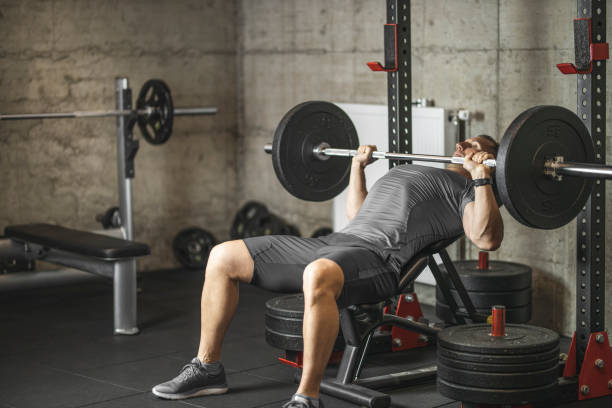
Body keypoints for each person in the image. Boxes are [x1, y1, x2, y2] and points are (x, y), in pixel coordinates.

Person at [152, 135, 504, 407]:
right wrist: (357, 167)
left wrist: (481, 177)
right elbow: (358, 214)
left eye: (473, 145)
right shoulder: (410, 170)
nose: (462, 145)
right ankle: (207, 367)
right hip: (340, 241)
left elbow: (485, 238)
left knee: (318, 274)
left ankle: (307, 397)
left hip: (379, 260)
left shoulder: (467, 192)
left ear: (487, 158)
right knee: (222, 256)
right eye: (464, 142)